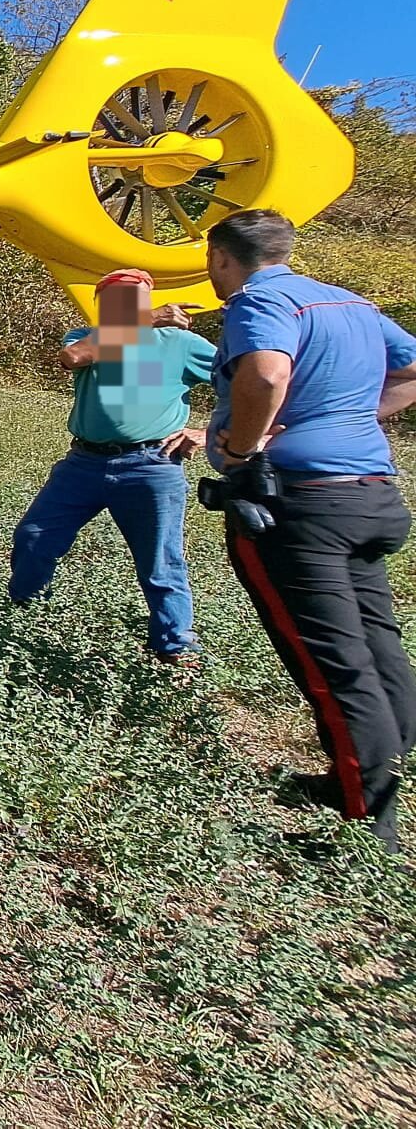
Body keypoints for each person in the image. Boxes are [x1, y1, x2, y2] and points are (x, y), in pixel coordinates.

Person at [198, 208, 416, 852]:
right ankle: (372, 770)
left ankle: (366, 825)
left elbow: (265, 373)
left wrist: (242, 449)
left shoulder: (259, 301)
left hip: (300, 507)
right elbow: (409, 371)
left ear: (220, 258)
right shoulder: (352, 304)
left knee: (332, 665)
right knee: (378, 646)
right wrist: (342, 416)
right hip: (371, 497)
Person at [8, 269, 214, 666]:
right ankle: (23, 625)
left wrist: (210, 431)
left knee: (160, 559)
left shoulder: (181, 344)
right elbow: (73, 358)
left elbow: (248, 381)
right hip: (83, 463)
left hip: (150, 466)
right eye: (115, 299)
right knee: (34, 537)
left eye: (134, 298)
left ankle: (175, 648)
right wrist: (148, 317)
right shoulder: (85, 338)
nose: (125, 306)